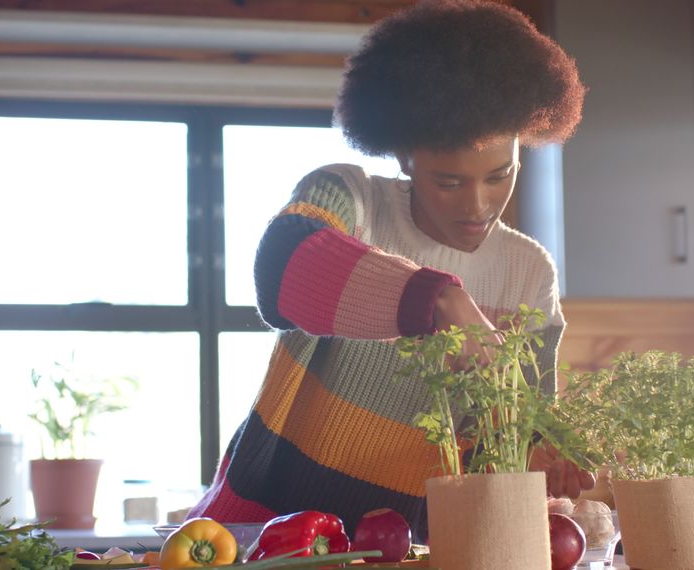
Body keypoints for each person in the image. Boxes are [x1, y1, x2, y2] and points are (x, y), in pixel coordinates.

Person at [188, 0, 592, 542]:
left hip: (414, 544)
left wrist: (548, 446)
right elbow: (282, 272)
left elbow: (513, 437)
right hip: (267, 527)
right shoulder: (352, 200)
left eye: (500, 176)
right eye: (449, 182)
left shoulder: (526, 271)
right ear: (404, 156)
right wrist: (442, 303)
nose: (477, 205)